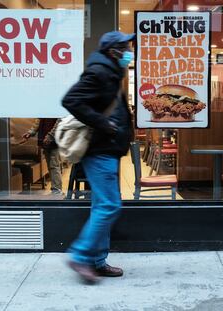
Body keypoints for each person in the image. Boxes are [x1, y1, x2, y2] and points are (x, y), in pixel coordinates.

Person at [62, 31, 135, 283]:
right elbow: (71, 100)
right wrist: (104, 124)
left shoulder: (112, 73)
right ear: (113, 51)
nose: (129, 51)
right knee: (109, 205)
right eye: (125, 47)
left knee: (101, 205)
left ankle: (97, 261)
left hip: (108, 149)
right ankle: (80, 256)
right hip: (100, 150)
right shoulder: (99, 72)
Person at [22, 118, 63, 194]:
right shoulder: (44, 109)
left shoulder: (55, 108)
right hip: (45, 139)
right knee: (51, 166)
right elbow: (38, 121)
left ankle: (57, 189)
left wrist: (50, 135)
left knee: (54, 165)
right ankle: (55, 189)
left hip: (54, 140)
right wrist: (30, 132)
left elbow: (59, 123)